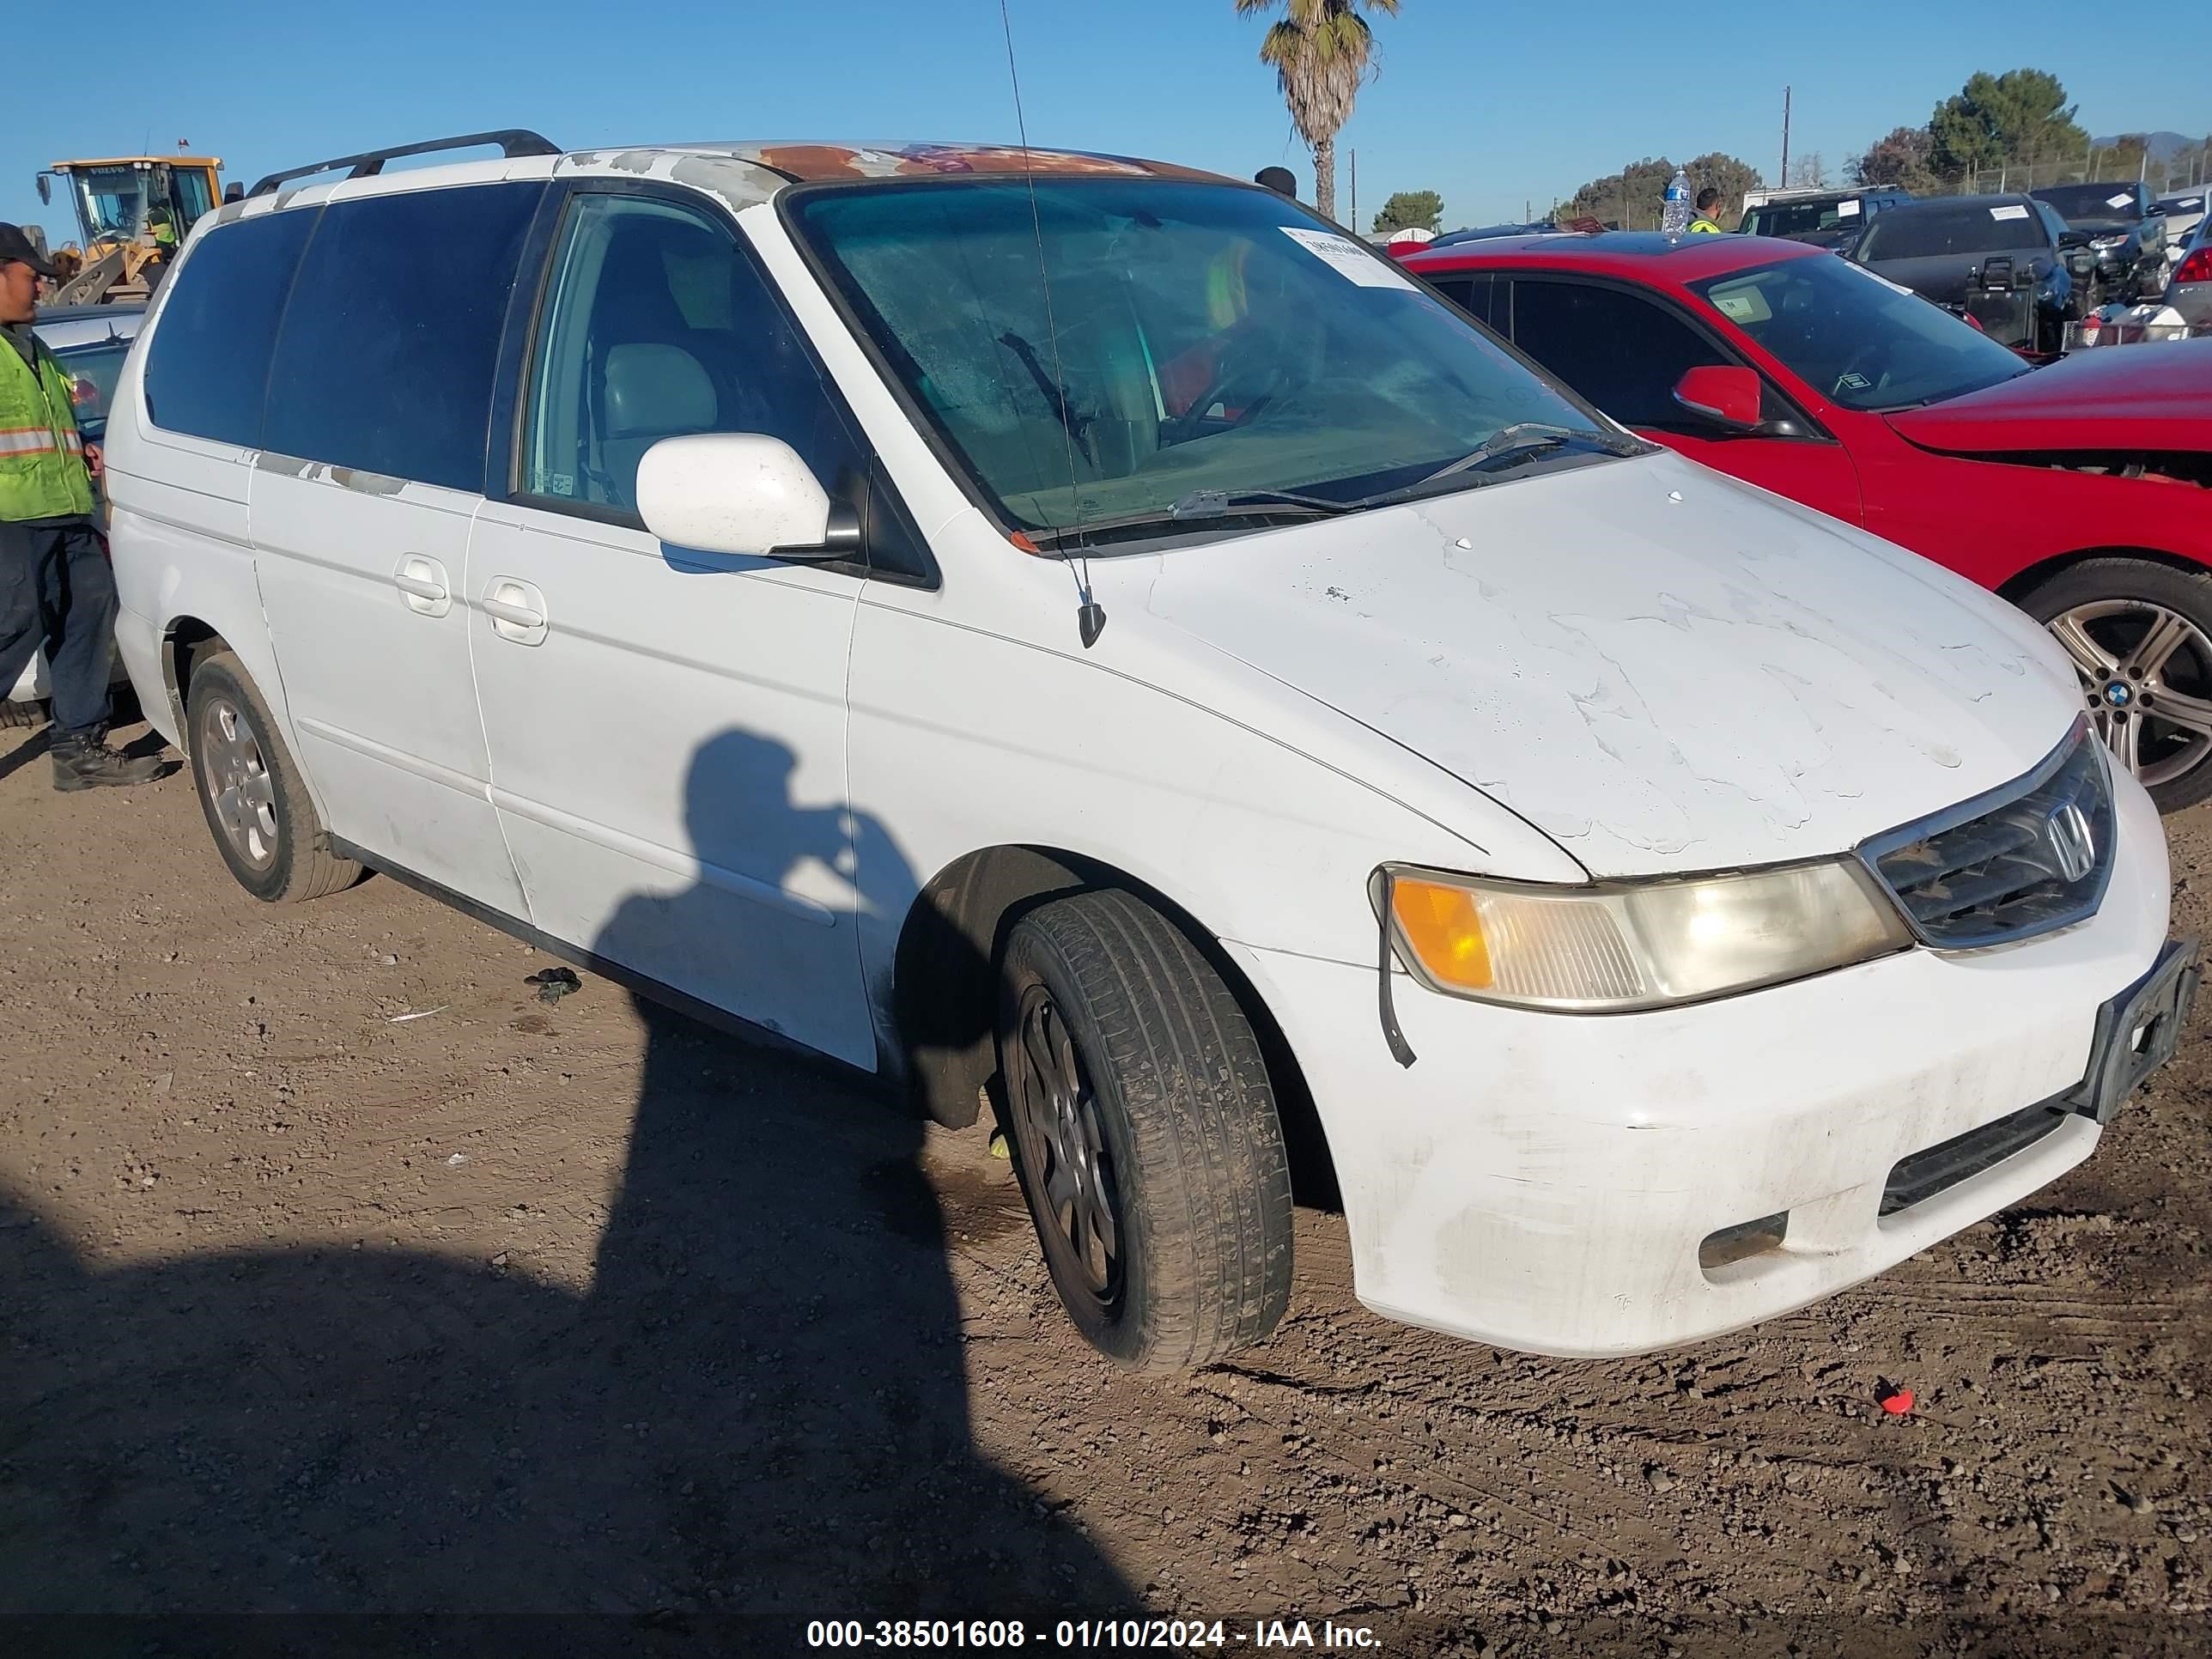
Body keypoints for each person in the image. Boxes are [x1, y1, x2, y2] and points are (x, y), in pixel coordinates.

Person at [0, 223, 166, 787]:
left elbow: (46, 427)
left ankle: (77, 748)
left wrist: (83, 449)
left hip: (66, 508)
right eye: (29, 277)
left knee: (88, 613)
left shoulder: (34, 346)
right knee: (10, 630)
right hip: (11, 521)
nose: (41, 289)